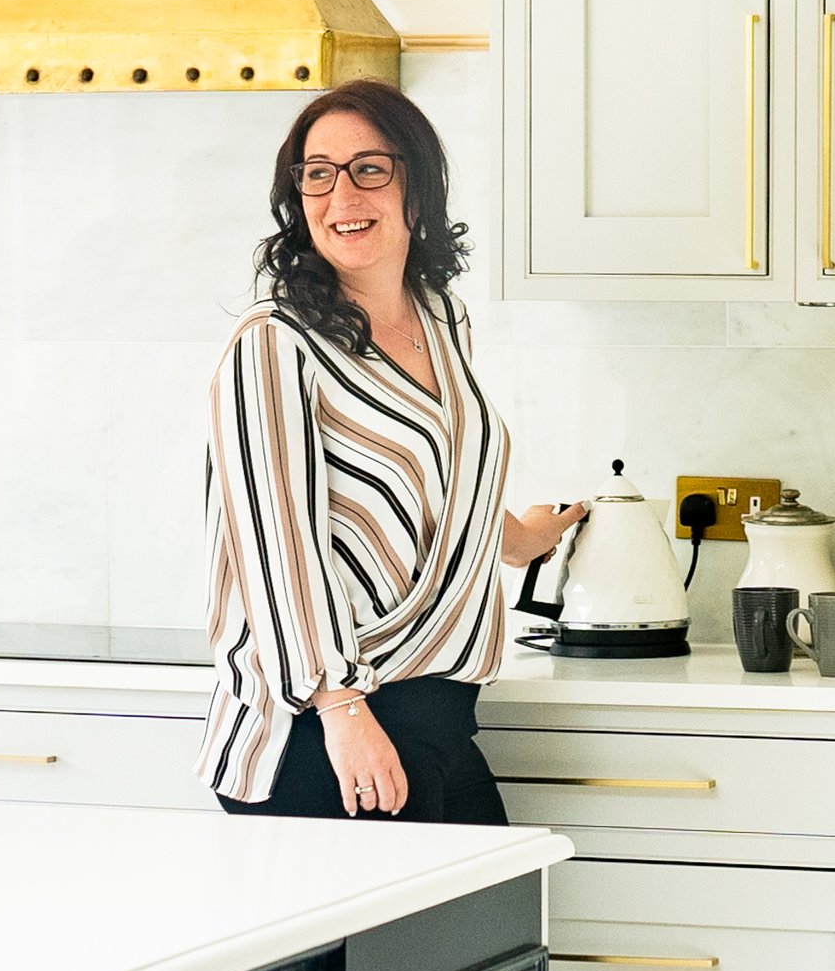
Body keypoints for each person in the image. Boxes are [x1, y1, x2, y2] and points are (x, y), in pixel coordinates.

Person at [201, 78, 584, 821]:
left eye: (369, 168)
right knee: (435, 937)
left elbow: (440, 471)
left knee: (490, 934)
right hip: (326, 729)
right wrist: (342, 711)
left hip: (437, 711)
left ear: (417, 190)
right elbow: (277, 548)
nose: (342, 194)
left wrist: (520, 539)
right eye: (318, 173)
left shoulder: (439, 319)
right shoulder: (274, 345)